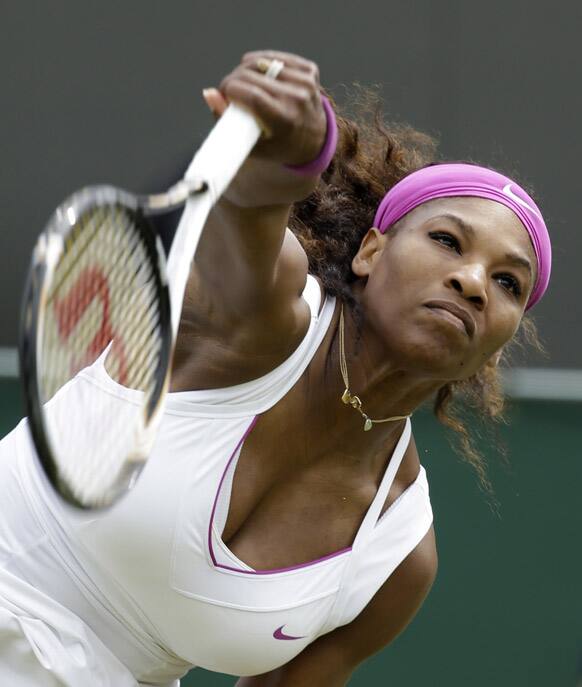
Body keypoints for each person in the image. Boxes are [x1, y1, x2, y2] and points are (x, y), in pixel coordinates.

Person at [0, 50, 550, 686]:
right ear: (372, 250)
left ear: (500, 342)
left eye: (508, 282)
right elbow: (252, 207)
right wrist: (297, 147)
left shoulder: (399, 558)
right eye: (447, 241)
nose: (473, 280)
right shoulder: (261, 314)